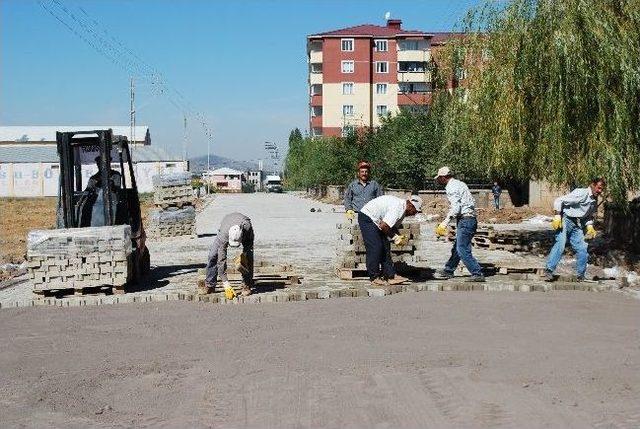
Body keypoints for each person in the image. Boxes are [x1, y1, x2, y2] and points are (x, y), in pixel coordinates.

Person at [543, 178, 606, 282]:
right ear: (592, 185)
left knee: (582, 249)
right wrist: (557, 216)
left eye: (601, 189)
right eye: (598, 188)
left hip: (577, 223)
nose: (600, 191)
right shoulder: (581, 193)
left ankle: (581, 275)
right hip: (566, 219)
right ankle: (549, 270)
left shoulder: (594, 200)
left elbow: (588, 216)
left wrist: (590, 226)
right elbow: (559, 200)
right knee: (561, 243)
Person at [434, 166, 485, 282]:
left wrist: (445, 222)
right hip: (469, 219)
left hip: (465, 220)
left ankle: (477, 273)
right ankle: (449, 270)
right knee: (457, 247)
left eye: (439, 178)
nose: (438, 181)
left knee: (462, 248)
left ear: (443, 177)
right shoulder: (460, 183)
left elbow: (456, 207)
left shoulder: (451, 187)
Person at [359, 194, 422, 286]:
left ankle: (390, 276)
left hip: (377, 220)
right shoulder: (398, 208)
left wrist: (398, 236)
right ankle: (374, 277)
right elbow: (384, 226)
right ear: (410, 206)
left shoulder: (403, 210)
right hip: (367, 217)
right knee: (376, 247)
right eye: (415, 211)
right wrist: (395, 237)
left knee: (385, 246)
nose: (414, 214)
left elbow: (391, 226)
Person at [205, 212, 254, 298]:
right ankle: (210, 285)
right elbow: (221, 260)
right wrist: (226, 283)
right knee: (213, 255)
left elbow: (249, 244)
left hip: (246, 234)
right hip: (226, 226)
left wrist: (244, 256)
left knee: (248, 257)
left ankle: (247, 285)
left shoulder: (247, 227)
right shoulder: (224, 235)